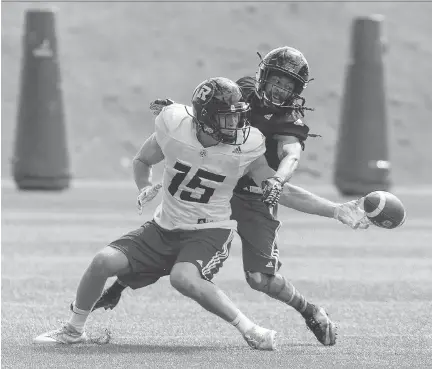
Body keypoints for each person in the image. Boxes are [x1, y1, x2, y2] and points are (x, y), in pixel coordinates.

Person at [88, 47, 370, 347]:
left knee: (259, 279)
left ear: (296, 92)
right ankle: (119, 282)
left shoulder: (290, 121)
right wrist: (183, 112)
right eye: (277, 81)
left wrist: (280, 179)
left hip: (254, 192)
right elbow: (212, 105)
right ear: (263, 76)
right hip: (216, 185)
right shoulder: (243, 90)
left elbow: (291, 153)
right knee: (173, 241)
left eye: (288, 87)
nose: (280, 90)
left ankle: (309, 309)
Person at [33, 76, 299, 349]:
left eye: (236, 117)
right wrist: (144, 186)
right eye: (226, 118)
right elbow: (143, 159)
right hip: (165, 226)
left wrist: (331, 209)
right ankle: (74, 331)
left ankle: (252, 330)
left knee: (182, 278)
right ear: (205, 118)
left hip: (208, 229)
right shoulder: (174, 127)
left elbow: (278, 187)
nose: (236, 125)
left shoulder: (247, 144)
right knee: (103, 261)